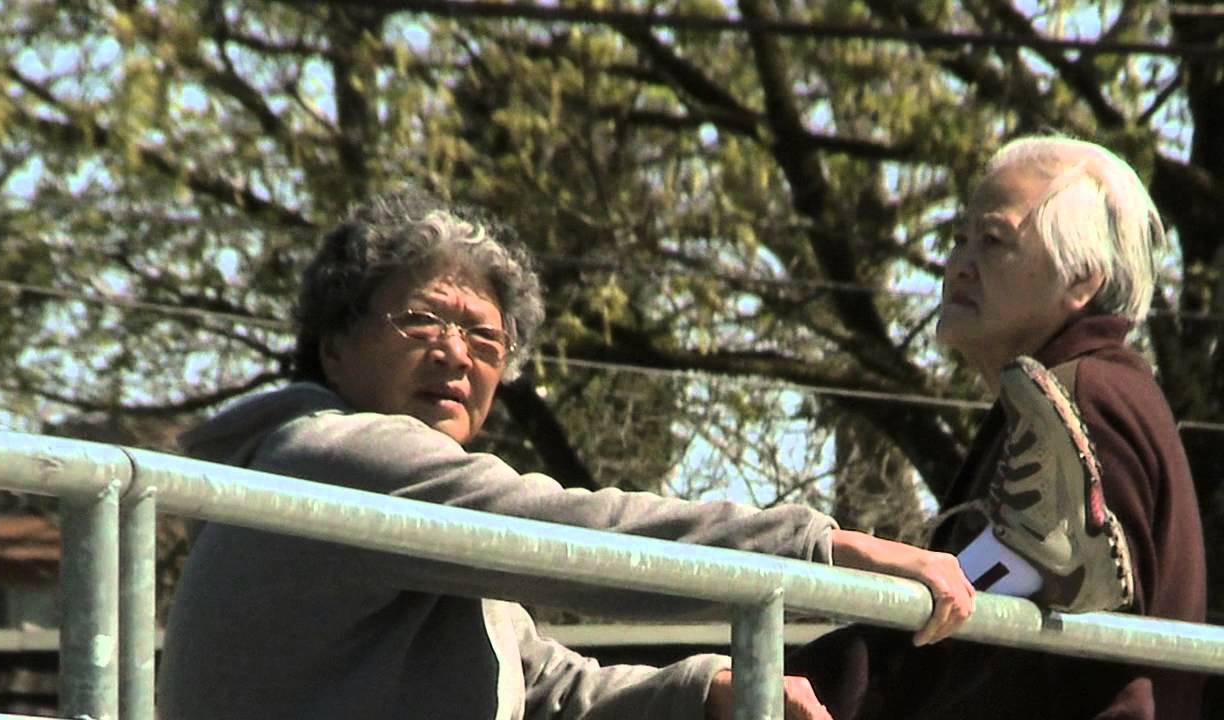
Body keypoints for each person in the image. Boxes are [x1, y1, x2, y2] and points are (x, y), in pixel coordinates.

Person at [156, 190, 974, 720]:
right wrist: (820, 548)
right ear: (334, 348)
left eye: (484, 335)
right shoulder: (336, 454)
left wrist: (703, 691)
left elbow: (546, 689)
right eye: (423, 321)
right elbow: (577, 537)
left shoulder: (428, 526)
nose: (456, 353)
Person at [787, 135, 1207, 719]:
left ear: (1081, 277)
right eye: (958, 238)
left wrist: (777, 673)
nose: (958, 264)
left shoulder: (1083, 399)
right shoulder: (1072, 394)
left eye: (993, 241)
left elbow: (980, 628)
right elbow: (963, 612)